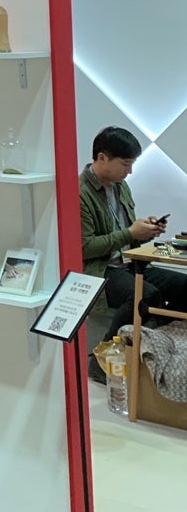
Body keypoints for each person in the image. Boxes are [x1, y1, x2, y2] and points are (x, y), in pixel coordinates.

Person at [82, 126, 187, 381]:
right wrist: (131, 233)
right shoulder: (80, 192)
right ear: (102, 157)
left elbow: (126, 233)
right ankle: (102, 361)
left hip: (129, 261)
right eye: (125, 164)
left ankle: (158, 345)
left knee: (183, 284)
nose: (129, 171)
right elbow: (84, 247)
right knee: (145, 294)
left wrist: (146, 230)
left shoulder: (121, 186)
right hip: (99, 268)